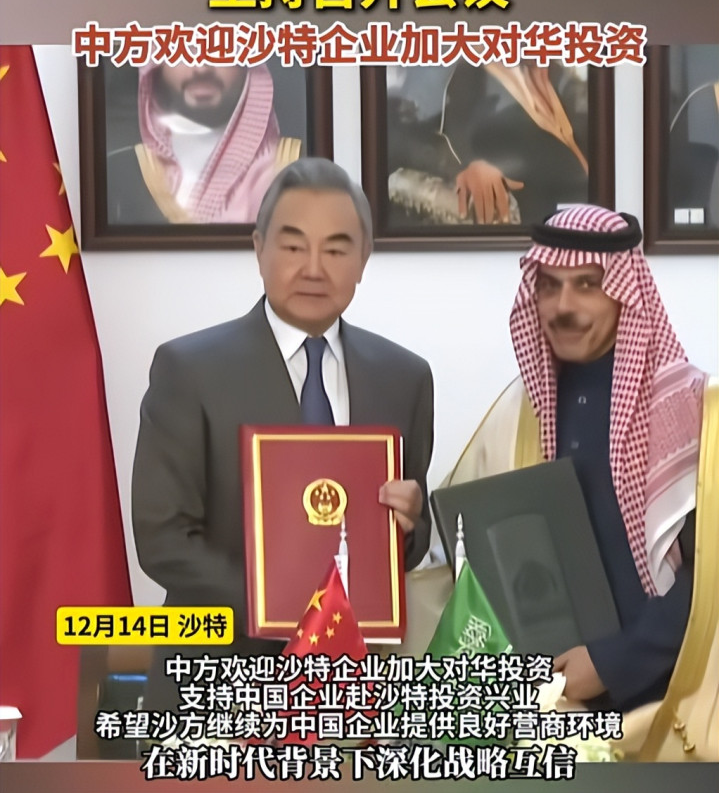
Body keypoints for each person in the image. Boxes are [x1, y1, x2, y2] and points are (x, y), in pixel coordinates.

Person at [132, 157, 434, 710]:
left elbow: (406, 542)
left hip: (349, 690)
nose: (313, 269)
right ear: (259, 248)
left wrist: (411, 523)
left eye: (336, 250)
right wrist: (290, 607)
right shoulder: (190, 370)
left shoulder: (404, 378)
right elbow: (164, 540)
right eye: (293, 246)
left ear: (364, 259)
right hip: (214, 686)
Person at [443, 205, 716, 713]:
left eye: (587, 285)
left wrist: (613, 664)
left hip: (672, 703)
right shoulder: (521, 412)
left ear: (624, 294)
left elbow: (710, 571)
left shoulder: (691, 408)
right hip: (546, 700)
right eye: (549, 286)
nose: (563, 306)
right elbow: (467, 547)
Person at [386, 62, 588, 226]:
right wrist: (466, 165)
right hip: (526, 233)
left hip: (580, 222)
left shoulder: (558, 77)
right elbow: (399, 137)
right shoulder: (455, 74)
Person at [107, 63, 300, 224]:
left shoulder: (302, 164)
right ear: (156, 66)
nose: (202, 68)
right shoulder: (116, 171)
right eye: (184, 50)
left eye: (220, 48)